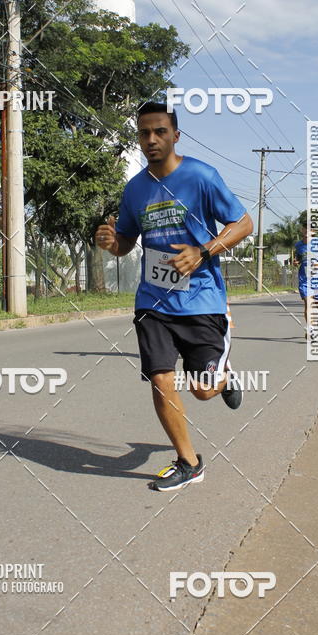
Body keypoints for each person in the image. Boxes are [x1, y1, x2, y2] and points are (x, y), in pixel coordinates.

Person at [95, 101, 253, 491]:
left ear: (175, 135)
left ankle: (223, 375)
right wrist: (111, 242)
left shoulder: (200, 175)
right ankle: (189, 461)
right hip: (154, 301)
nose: (151, 139)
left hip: (201, 300)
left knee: (202, 391)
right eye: (144, 132)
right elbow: (127, 242)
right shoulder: (135, 189)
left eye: (160, 131)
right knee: (161, 379)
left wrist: (203, 251)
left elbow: (244, 222)